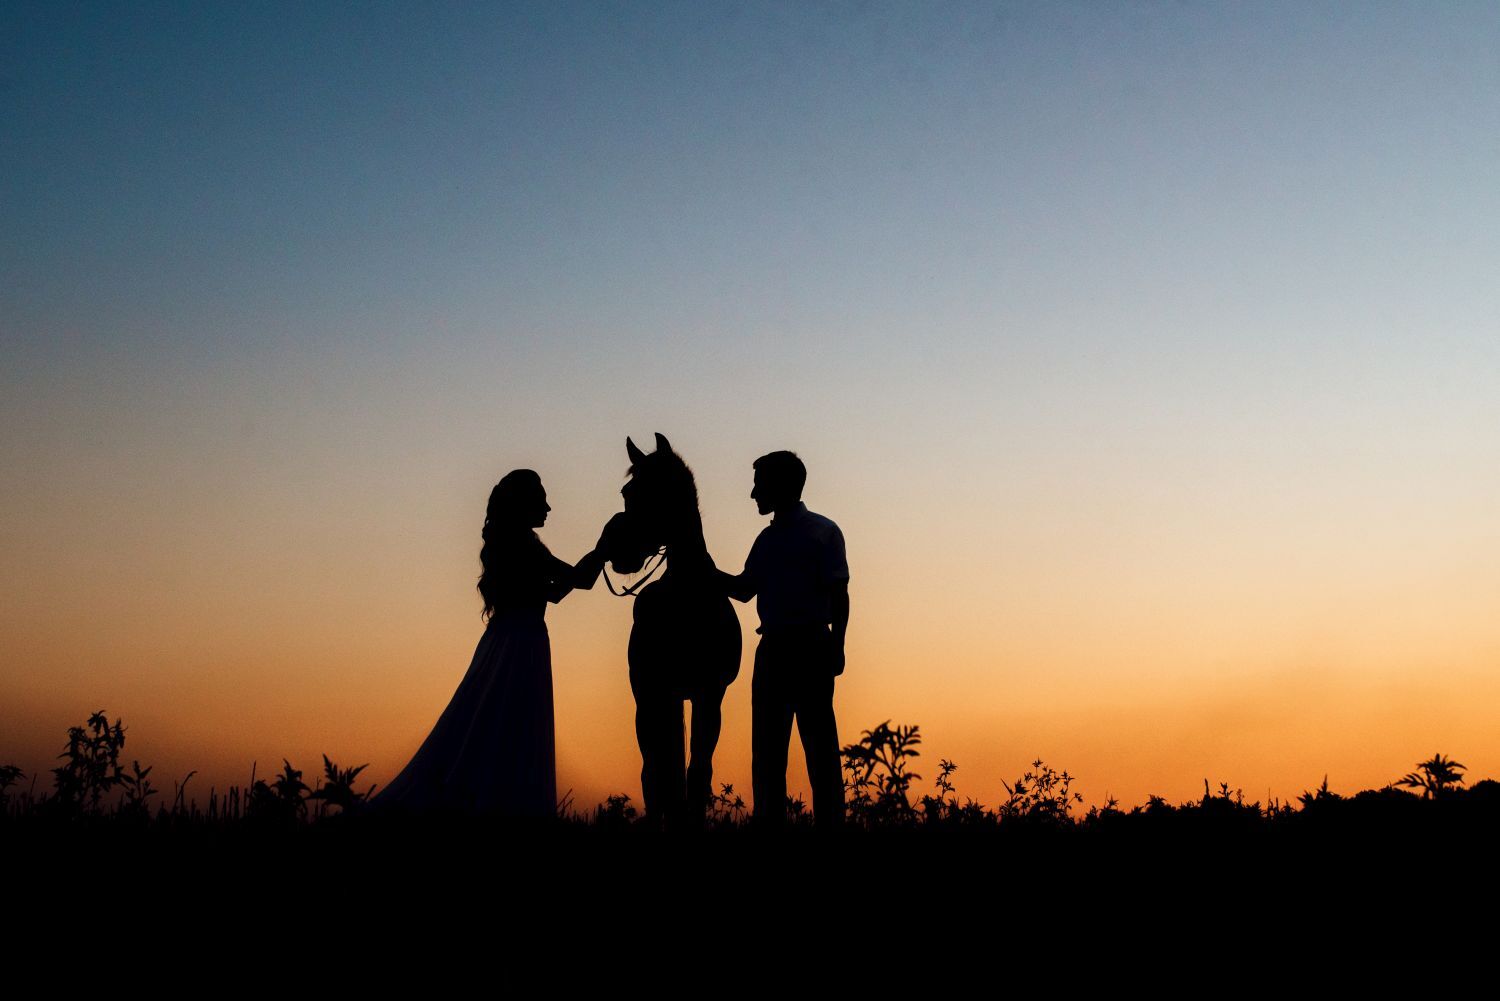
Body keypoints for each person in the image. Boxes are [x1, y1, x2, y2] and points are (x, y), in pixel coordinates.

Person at [373, 469, 617, 817]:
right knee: (513, 724)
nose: (548, 507)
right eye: (541, 500)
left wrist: (599, 555)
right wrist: (602, 548)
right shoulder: (525, 546)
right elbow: (575, 582)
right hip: (522, 644)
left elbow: (560, 590)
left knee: (487, 721)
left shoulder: (511, 543)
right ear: (524, 504)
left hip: (503, 641)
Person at [717, 451, 849, 827]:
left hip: (808, 647)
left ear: (780, 486)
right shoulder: (768, 538)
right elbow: (745, 590)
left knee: (819, 748)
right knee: (768, 752)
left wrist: (837, 646)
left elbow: (840, 594)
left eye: (759, 484)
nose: (753, 493)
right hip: (774, 649)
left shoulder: (824, 532)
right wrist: (707, 572)